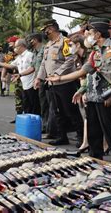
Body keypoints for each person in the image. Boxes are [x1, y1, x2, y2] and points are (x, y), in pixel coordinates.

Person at [47, 17, 111, 165]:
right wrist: (59, 78)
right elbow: (82, 71)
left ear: (98, 34)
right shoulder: (95, 54)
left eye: (89, 33)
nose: (87, 36)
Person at [34, 19, 84, 147]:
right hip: (52, 84)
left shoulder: (65, 42)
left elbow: (71, 60)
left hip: (65, 83)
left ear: (51, 29)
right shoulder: (48, 45)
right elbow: (44, 64)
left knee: (71, 111)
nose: (45, 32)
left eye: (45, 30)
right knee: (57, 112)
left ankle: (81, 137)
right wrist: (39, 79)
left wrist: (57, 74)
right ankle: (62, 136)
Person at [71, 33, 111, 159]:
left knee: (108, 128)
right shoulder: (91, 54)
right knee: (93, 129)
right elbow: (88, 77)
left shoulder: (108, 51)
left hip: (103, 95)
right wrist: (82, 90)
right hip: (91, 96)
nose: (87, 38)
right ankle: (95, 155)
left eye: (89, 34)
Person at [0, 39, 40, 114]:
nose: (14, 49)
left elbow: (33, 68)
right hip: (25, 85)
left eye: (16, 47)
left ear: (21, 47)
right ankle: (28, 123)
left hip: (32, 85)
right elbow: (11, 65)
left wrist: (20, 74)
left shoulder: (29, 55)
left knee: (34, 107)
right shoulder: (19, 57)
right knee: (27, 106)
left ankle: (36, 124)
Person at [28, 32, 49, 132]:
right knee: (42, 104)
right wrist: (20, 74)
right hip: (38, 81)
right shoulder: (35, 52)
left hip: (45, 81)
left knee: (46, 105)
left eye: (31, 40)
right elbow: (33, 67)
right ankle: (45, 125)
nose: (30, 42)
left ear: (35, 40)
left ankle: (47, 126)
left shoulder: (45, 49)